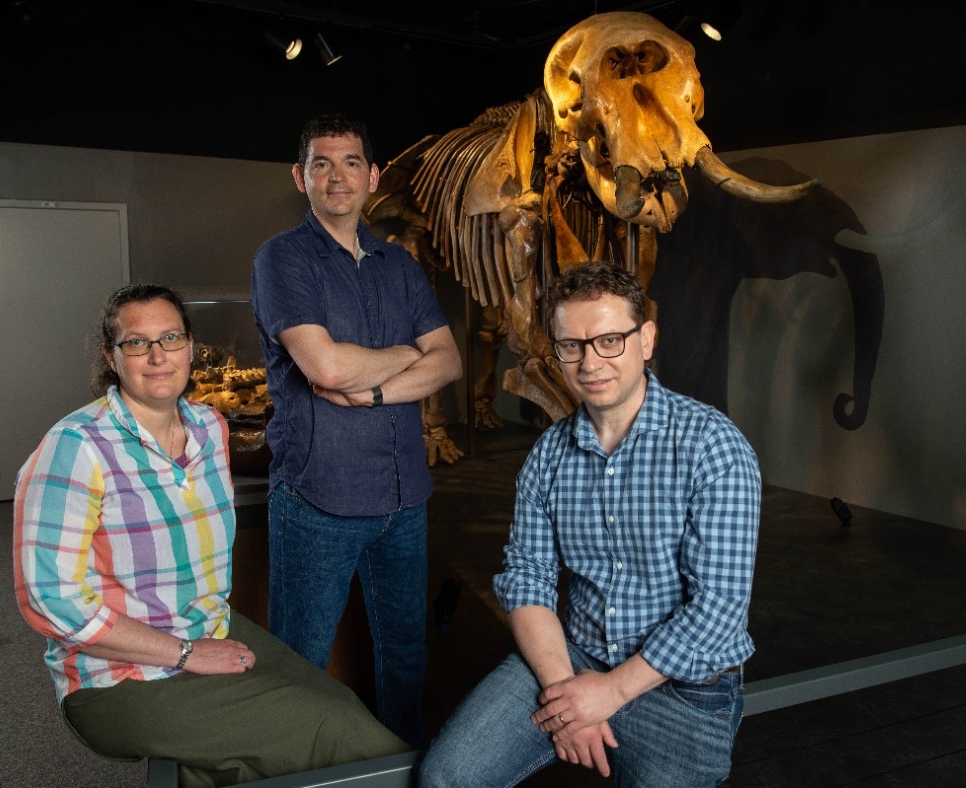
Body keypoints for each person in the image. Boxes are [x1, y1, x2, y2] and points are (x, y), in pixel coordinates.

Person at [14, 284, 410, 788]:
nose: (157, 356)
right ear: (112, 357)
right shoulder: (75, 447)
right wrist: (185, 653)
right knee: (345, 739)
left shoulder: (207, 427)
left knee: (336, 704)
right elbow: (51, 601)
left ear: (190, 346)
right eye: (137, 343)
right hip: (116, 676)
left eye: (171, 338)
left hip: (209, 628)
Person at [418, 262, 762, 787]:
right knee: (448, 776)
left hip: (681, 688)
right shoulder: (548, 456)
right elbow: (527, 579)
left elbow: (717, 609)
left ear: (646, 339)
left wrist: (610, 692)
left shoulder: (712, 447)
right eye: (571, 346)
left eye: (609, 341)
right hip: (575, 659)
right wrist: (568, 693)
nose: (589, 363)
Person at [250, 114, 462, 747]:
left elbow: (449, 361)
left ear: (372, 177)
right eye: (321, 163)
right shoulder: (282, 258)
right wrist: (407, 354)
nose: (336, 176)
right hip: (320, 497)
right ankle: (299, 771)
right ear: (300, 177)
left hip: (405, 499)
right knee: (301, 660)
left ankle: (399, 759)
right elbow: (324, 366)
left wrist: (365, 389)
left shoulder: (399, 264)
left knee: (405, 652)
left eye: (349, 163)